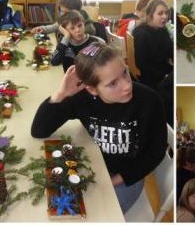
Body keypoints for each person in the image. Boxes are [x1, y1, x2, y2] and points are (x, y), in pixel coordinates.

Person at [31, 42, 168, 213]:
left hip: (127, 176)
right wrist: (61, 93)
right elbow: (39, 130)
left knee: (99, 214)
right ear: (92, 89)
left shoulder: (149, 100)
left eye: (125, 72)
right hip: (90, 166)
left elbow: (156, 151)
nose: (127, 85)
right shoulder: (82, 98)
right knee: (61, 208)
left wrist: (117, 179)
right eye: (113, 83)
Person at [132, 0, 172, 90]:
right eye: (160, 13)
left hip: (162, 70)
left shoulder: (162, 30)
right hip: (151, 78)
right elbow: (142, 64)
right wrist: (164, 75)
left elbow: (170, 51)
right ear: (150, 15)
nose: (165, 16)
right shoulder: (141, 34)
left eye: (166, 13)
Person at [31, 0, 95, 36]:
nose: (62, 14)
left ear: (74, 13)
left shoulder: (87, 29)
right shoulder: (67, 17)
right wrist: (41, 28)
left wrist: (66, 33)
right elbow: (54, 27)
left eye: (65, 12)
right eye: (61, 11)